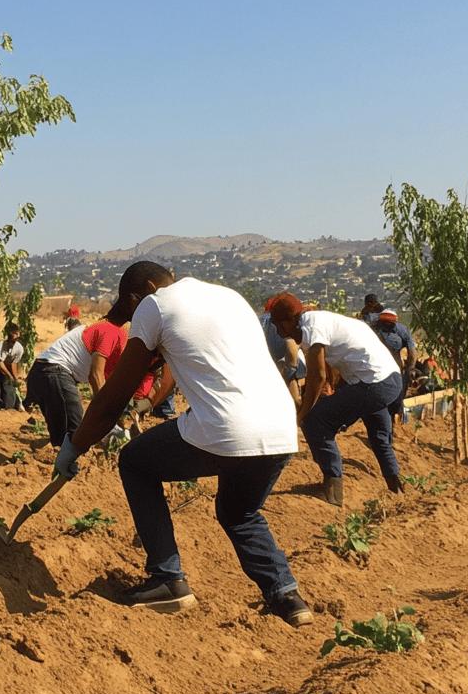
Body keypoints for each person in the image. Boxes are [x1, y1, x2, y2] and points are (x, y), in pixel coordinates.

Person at [55, 262, 311, 625]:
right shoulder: (229, 297)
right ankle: (287, 596)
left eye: (130, 305)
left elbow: (113, 397)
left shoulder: (154, 304)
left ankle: (167, 579)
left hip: (225, 426)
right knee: (239, 512)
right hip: (281, 426)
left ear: (141, 291)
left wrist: (75, 444)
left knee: (135, 463)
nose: (132, 317)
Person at [269, 293, 403, 506]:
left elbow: (318, 377)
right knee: (379, 438)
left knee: (315, 421)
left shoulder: (311, 326)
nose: (279, 331)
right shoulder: (325, 320)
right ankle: (398, 489)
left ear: (290, 320)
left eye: (279, 325)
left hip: (373, 383)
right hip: (390, 380)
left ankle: (332, 491)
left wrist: (302, 414)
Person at [25, 306, 131, 448]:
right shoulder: (111, 331)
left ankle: (45, 451)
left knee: (63, 432)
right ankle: (65, 463)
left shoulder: (117, 340)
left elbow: (111, 385)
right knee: (75, 429)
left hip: (43, 372)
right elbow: (95, 375)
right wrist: (106, 417)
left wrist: (119, 417)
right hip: (53, 371)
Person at [369, 309, 416, 424]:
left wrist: (408, 370)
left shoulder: (400, 331)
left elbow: (412, 355)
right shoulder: (401, 330)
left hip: (385, 368)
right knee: (394, 398)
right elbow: (412, 355)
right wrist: (408, 370)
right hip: (387, 368)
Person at [261, 300, 306, 404]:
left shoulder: (261, 322)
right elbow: (291, 345)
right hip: (287, 367)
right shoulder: (289, 323)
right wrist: (290, 374)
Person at [0, 323, 25, 410]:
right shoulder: (1, 345)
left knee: (8, 391)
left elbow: (14, 363)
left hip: (7, 369)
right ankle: (1, 407)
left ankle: (10, 406)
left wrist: (15, 378)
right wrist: (9, 375)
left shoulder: (19, 348)